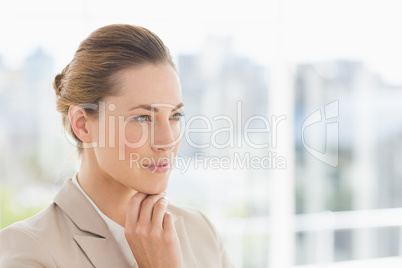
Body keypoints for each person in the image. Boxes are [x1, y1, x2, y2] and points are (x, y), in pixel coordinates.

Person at [0, 24, 235, 268]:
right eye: (142, 118)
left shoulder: (201, 233)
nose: (167, 141)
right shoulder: (26, 249)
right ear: (82, 124)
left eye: (175, 116)